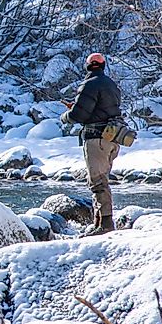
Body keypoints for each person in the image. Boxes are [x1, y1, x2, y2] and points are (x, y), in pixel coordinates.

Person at [60, 53, 122, 237]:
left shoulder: (89, 84)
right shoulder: (112, 85)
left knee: (97, 182)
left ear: (88, 66)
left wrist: (66, 115)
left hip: (96, 139)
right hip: (113, 139)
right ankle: (99, 222)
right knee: (102, 179)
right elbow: (101, 108)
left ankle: (106, 224)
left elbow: (79, 115)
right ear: (103, 65)